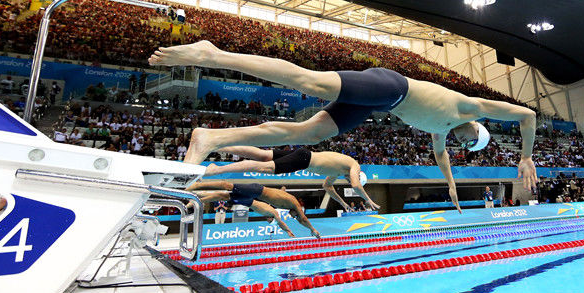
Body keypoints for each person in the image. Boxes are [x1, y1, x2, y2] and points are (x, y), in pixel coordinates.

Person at [149, 40, 537, 212]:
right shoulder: (468, 106)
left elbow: (441, 159)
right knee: (312, 82)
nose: (463, 145)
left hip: (378, 104)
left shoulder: (443, 129)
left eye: (467, 148)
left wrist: (451, 187)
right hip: (391, 86)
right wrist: (525, 156)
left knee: (309, 133)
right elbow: (527, 115)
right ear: (477, 128)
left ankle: (212, 139)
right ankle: (213, 54)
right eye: (471, 142)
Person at [202, 146, 380, 211]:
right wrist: (368, 199)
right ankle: (217, 169)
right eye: (352, 179)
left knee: (263, 155)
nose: (349, 181)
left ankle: (219, 146)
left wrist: (343, 203)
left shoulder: (338, 172)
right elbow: (356, 185)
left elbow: (327, 187)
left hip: (303, 156)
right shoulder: (354, 165)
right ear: (358, 176)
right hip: (304, 160)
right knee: (263, 166)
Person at [187, 180, 321, 238]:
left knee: (223, 196)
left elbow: (299, 218)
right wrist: (312, 229)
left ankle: (196, 201)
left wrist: (289, 230)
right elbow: (303, 219)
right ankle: (198, 185)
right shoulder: (294, 204)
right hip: (257, 190)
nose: (293, 216)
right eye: (295, 215)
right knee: (227, 185)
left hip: (253, 196)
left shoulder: (287, 204)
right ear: (299, 209)